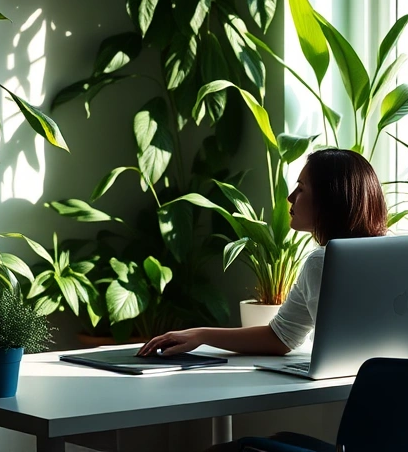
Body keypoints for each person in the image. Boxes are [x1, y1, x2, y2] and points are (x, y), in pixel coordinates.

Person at [137, 148, 388, 358]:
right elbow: (280, 337)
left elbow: (282, 339)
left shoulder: (321, 262)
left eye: (300, 189)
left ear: (329, 200)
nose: (290, 197)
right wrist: (201, 334)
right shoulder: (397, 254)